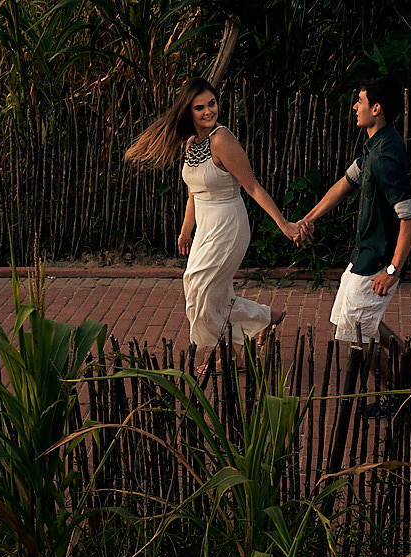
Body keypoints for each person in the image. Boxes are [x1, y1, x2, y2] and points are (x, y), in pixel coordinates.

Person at [125, 77, 296, 376]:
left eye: (212, 104)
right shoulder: (192, 143)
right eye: (199, 107)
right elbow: (193, 193)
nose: (208, 111)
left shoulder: (222, 139)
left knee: (199, 286)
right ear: (188, 111)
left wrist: (283, 224)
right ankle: (262, 321)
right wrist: (185, 230)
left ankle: (230, 351)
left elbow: (253, 187)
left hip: (228, 224)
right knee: (212, 293)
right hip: (204, 225)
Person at [298, 76, 411, 358]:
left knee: (361, 342)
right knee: (358, 324)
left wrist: (392, 270)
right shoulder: (374, 148)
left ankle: (393, 393)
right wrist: (308, 219)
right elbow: (346, 183)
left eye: (360, 101)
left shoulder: (384, 157)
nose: (355, 107)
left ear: (376, 108)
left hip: (376, 263)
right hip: (364, 255)